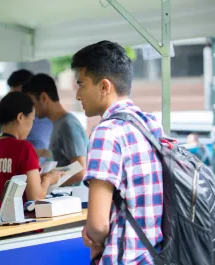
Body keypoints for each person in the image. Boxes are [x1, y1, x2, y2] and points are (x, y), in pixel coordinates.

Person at [72, 41, 164, 264]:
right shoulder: (151, 125)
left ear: (104, 86)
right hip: (157, 255)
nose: (77, 95)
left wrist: (94, 240)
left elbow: (98, 224)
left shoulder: (106, 133)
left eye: (81, 84)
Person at [0, 92, 63, 221]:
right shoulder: (25, 148)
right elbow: (35, 200)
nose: (31, 126)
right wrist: (49, 179)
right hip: (21, 230)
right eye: (32, 119)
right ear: (20, 117)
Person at [22, 74, 87, 186]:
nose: (30, 109)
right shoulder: (58, 123)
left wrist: (46, 182)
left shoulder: (68, 125)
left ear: (43, 98)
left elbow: (80, 171)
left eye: (32, 103)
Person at [0, 69, 53, 152]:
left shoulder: (47, 119)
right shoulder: (2, 117)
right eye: (13, 95)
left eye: (20, 95)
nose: (16, 101)